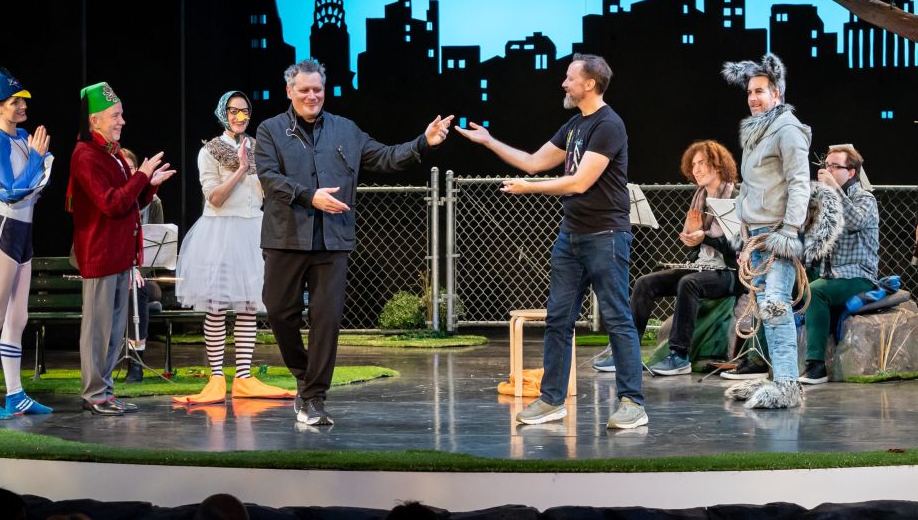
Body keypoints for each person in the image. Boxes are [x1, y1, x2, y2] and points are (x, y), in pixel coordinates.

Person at [255, 59, 452, 426]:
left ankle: (314, 397)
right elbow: (268, 177)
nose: (312, 96)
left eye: (318, 90)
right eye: (304, 91)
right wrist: (308, 195)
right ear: (289, 92)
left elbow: (388, 157)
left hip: (334, 239)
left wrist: (423, 142)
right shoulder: (270, 130)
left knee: (326, 319)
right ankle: (303, 377)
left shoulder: (345, 130)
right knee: (280, 312)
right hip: (285, 237)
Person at [456, 53, 647, 429]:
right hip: (571, 237)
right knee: (559, 319)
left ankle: (632, 403)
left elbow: (579, 182)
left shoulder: (609, 125)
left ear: (589, 83)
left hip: (605, 236)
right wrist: (489, 141)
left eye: (569, 78)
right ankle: (551, 400)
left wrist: (530, 189)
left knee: (617, 318)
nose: (564, 83)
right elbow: (532, 161)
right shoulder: (574, 125)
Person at [173, 91, 295, 405]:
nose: (239, 116)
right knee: (216, 306)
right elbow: (214, 198)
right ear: (222, 113)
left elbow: (268, 191)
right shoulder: (211, 151)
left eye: (244, 110)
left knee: (247, 306)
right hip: (220, 231)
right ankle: (216, 377)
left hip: (253, 230)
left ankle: (243, 377)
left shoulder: (259, 148)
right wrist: (241, 169)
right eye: (233, 110)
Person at [68, 82, 175, 415]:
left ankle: (105, 391)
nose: (122, 121)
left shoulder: (110, 155)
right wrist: (140, 176)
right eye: (115, 115)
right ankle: (94, 392)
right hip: (101, 254)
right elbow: (111, 203)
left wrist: (147, 187)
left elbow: (126, 202)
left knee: (114, 328)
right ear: (95, 119)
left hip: (118, 255)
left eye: (121, 115)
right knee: (98, 328)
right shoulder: (86, 156)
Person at [594, 140, 739, 376]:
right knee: (645, 283)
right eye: (694, 165)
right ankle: (625, 352)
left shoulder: (736, 198)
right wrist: (693, 238)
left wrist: (705, 238)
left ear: (719, 165)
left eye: (703, 163)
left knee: (688, 283)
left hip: (730, 273)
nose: (697, 169)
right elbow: (695, 251)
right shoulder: (699, 198)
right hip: (702, 267)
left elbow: (739, 250)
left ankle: (679, 356)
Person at [721, 53, 810, 409]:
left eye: (760, 90)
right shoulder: (759, 131)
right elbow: (750, 188)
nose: (753, 97)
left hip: (777, 233)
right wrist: (744, 237)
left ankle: (788, 384)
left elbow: (799, 183)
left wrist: (789, 231)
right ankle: (778, 377)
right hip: (757, 234)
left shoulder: (788, 129)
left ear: (777, 93)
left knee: (775, 305)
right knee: (765, 306)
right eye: (749, 92)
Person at [0, 58, 54, 419]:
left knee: (17, 318)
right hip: (2, 234)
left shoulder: (22, 138)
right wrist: (37, 161)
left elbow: (36, 185)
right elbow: (9, 191)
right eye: (14, 102)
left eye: (23, 100)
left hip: (23, 234)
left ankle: (15, 394)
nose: (22, 106)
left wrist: (38, 161)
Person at [799, 145, 879, 385]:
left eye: (835, 166)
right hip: (828, 273)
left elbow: (854, 221)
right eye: (827, 165)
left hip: (858, 275)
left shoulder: (865, 198)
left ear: (851, 172)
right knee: (780, 285)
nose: (828, 169)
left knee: (816, 292)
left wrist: (834, 190)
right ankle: (760, 361)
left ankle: (816, 366)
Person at [119, 147, 165, 383]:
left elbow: (158, 246)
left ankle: (135, 362)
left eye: (132, 168)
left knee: (136, 288)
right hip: (119, 275)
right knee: (126, 288)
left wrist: (137, 270)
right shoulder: (116, 198)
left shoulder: (153, 201)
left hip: (146, 278)